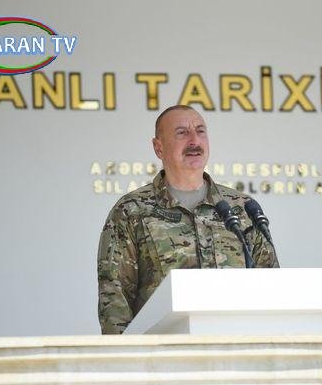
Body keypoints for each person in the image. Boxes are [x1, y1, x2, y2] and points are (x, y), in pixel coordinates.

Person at [97, 105, 279, 334]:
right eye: (182, 132)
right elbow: (114, 297)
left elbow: (272, 285)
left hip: (237, 347)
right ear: (159, 148)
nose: (194, 140)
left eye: (200, 131)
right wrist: (125, 353)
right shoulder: (131, 211)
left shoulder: (242, 208)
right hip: (164, 351)